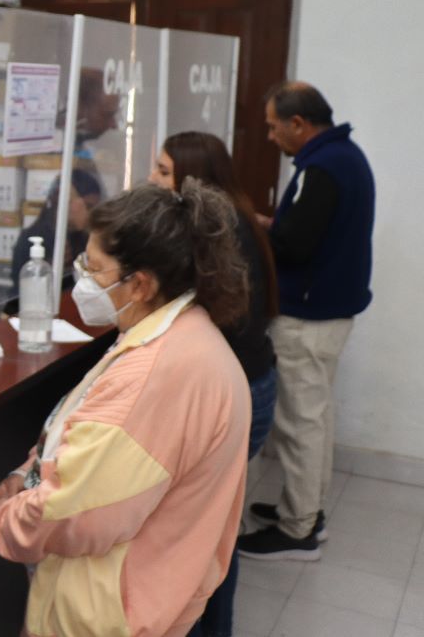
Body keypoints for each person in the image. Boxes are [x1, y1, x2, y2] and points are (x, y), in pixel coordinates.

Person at [0, 182, 251, 637]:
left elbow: (76, 511)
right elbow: (84, 432)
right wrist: (26, 473)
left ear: (141, 284)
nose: (82, 278)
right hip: (152, 592)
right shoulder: (180, 334)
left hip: (109, 613)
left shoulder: (157, 373)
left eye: (94, 268)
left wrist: (7, 520)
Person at [237, 82, 376, 560]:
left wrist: (256, 234)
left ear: (298, 123)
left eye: (273, 127)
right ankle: (307, 511)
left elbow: (297, 247)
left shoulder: (324, 167)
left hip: (309, 316)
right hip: (330, 310)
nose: (270, 136)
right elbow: (311, 230)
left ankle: (298, 530)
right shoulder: (343, 156)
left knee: (299, 423)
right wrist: (272, 225)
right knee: (315, 416)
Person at [150, 132, 279, 636]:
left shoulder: (218, 232)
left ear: (193, 177)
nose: (153, 179)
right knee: (214, 527)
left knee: (208, 535)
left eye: (163, 171)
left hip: (239, 393)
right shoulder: (233, 217)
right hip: (252, 383)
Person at [10, 168, 103, 289]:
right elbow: (20, 289)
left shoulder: (84, 239)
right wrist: (52, 267)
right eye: (88, 206)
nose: (91, 215)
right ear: (64, 200)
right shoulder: (31, 239)